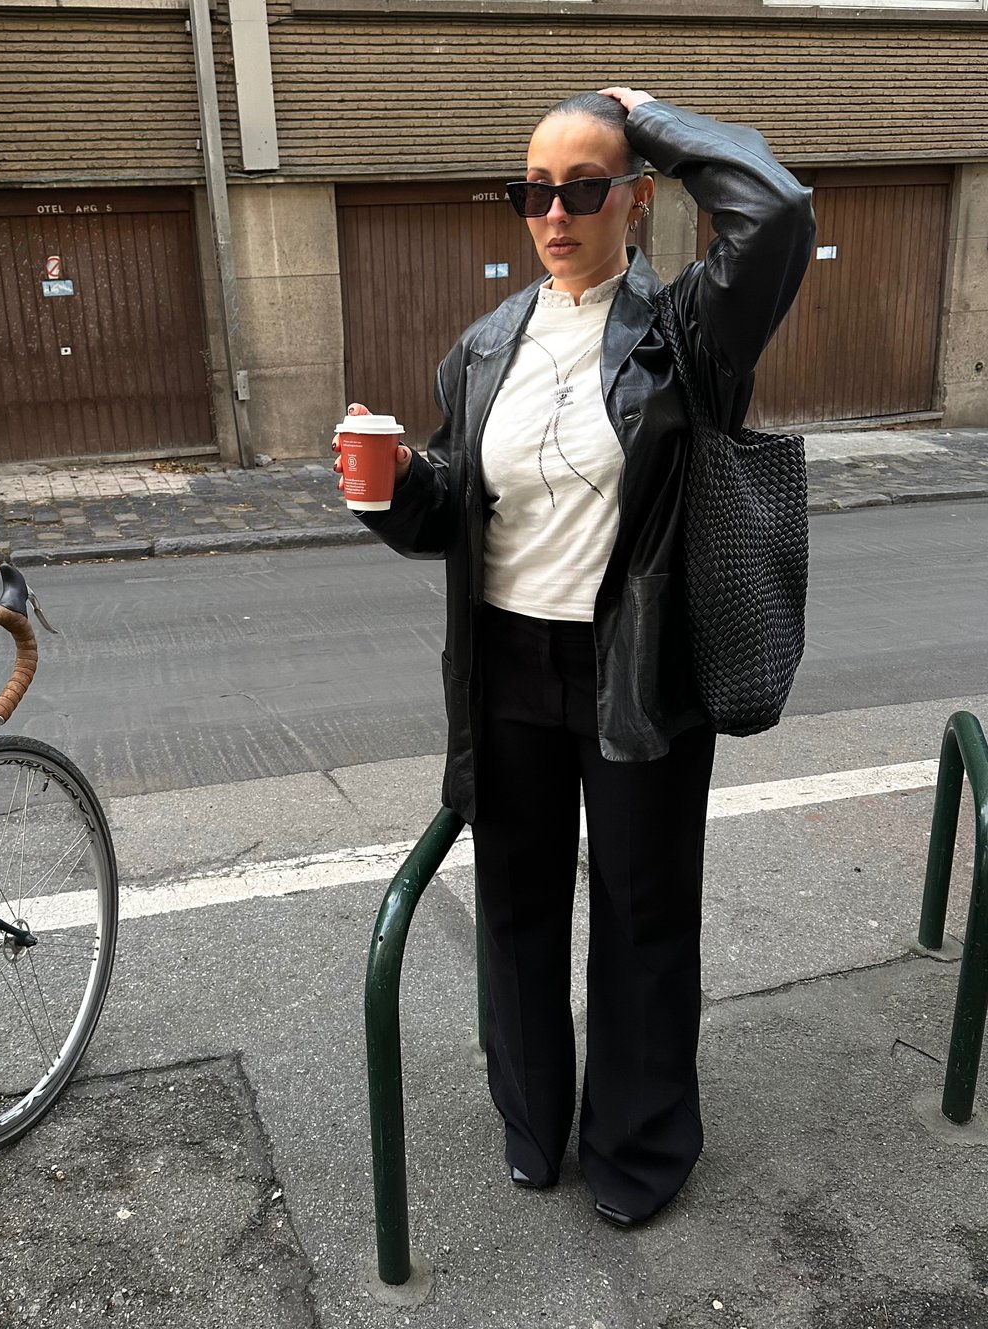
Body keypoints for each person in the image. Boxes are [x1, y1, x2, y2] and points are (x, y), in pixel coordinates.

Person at [334, 87, 816, 1228]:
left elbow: (778, 213)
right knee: (515, 905)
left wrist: (653, 117)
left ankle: (637, 1146)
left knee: (644, 915)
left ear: (636, 199)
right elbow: (459, 503)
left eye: (584, 188)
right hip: (505, 662)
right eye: (534, 191)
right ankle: (532, 1118)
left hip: (637, 659)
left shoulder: (688, 330)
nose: (555, 214)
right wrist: (394, 491)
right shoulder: (485, 345)